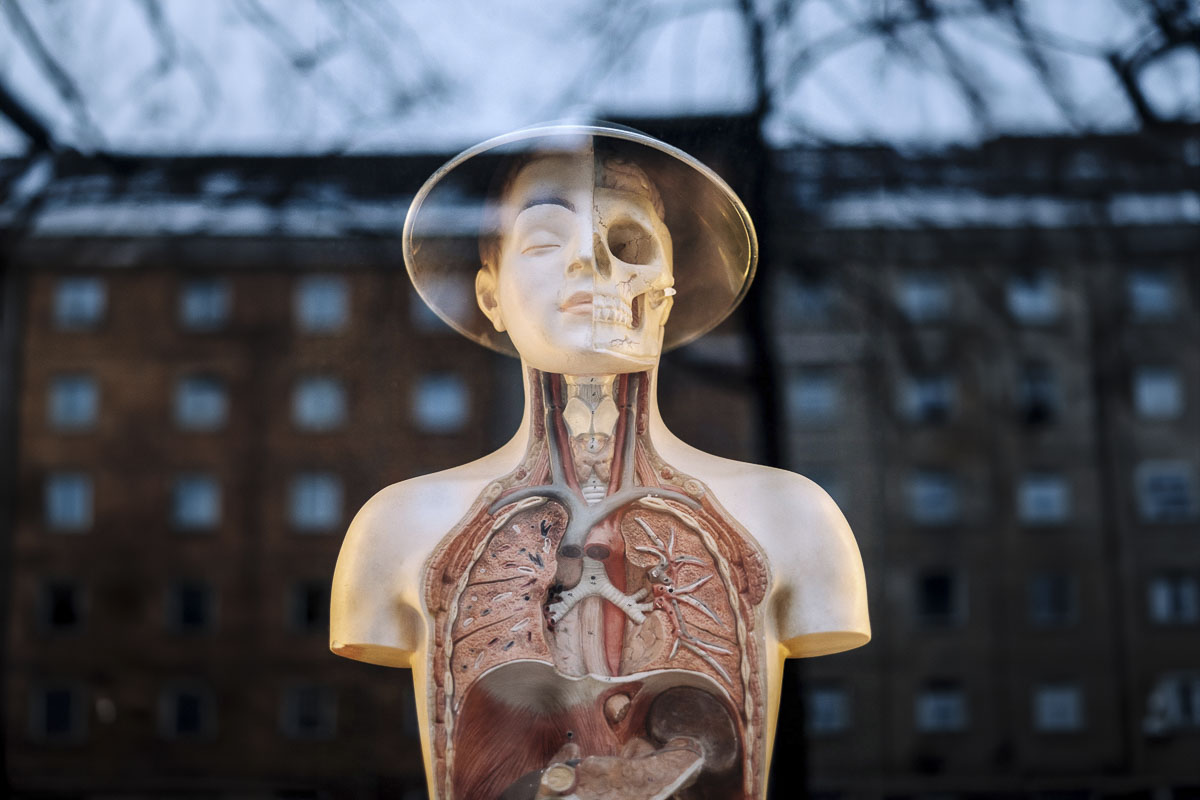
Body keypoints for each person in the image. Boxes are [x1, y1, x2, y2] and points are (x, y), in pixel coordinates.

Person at [331, 124, 869, 800]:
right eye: (546, 242)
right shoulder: (400, 526)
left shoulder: (793, 518)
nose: (592, 264)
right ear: (491, 296)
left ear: (668, 284)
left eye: (628, 241)